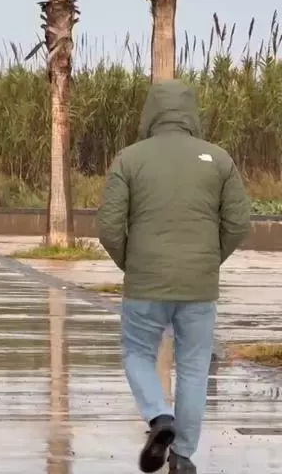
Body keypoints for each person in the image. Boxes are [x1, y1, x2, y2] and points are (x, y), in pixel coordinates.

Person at [96, 79, 251, 473]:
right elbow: (238, 221)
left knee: (137, 353)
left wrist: (131, 264)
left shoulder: (128, 159)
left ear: (151, 112)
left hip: (145, 280)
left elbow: (109, 227)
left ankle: (158, 416)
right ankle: (182, 457)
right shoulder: (219, 160)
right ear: (190, 113)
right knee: (195, 365)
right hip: (199, 284)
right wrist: (210, 259)